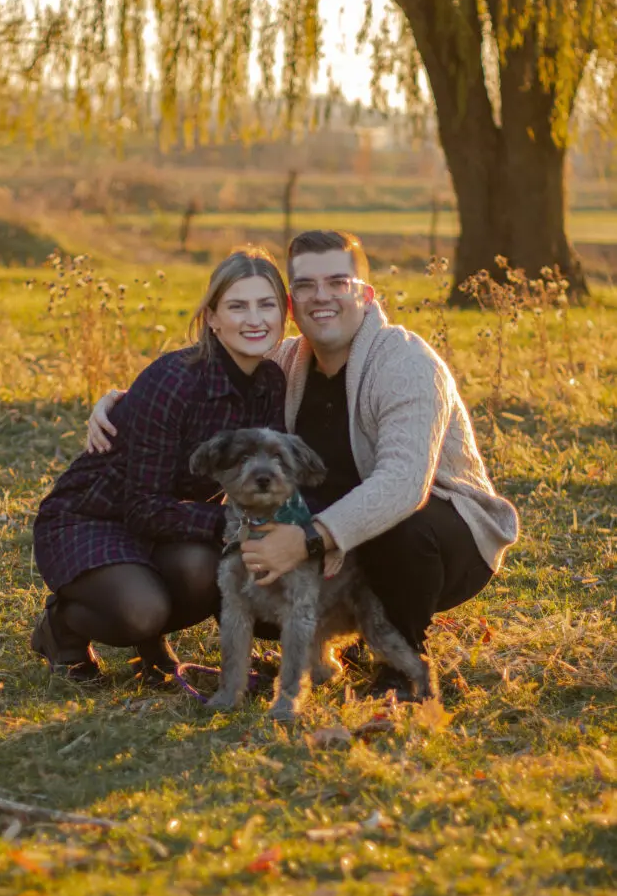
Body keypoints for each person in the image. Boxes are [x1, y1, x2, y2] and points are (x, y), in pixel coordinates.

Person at [89, 231, 519, 699]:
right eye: (307, 286)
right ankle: (335, 636)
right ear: (292, 303)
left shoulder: (405, 360)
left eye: (338, 282)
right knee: (248, 547)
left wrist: (308, 539)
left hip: (442, 535)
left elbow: (403, 485)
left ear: (366, 294)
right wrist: (122, 401)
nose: (322, 297)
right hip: (335, 537)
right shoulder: (287, 361)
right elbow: (204, 376)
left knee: (397, 528)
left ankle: (403, 665)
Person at [31, 248, 288, 682]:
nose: (254, 319)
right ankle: (62, 628)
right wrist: (231, 522)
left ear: (285, 315)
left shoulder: (270, 385)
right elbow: (142, 507)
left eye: (267, 305)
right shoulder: (175, 380)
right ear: (211, 317)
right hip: (93, 516)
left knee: (205, 572)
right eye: (237, 306)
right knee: (140, 610)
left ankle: (151, 644)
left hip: (170, 521)